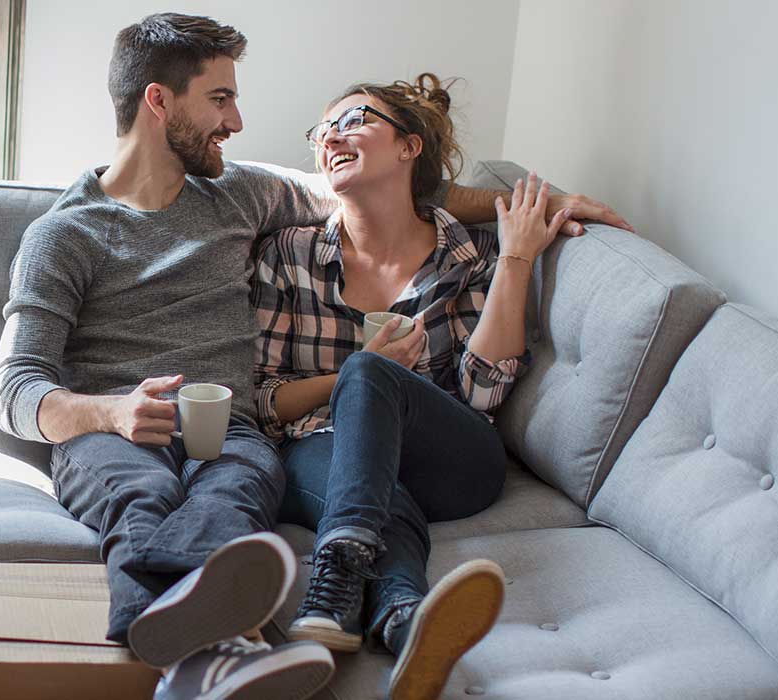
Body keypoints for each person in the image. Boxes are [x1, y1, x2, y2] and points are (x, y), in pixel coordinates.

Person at [0, 13, 626, 698]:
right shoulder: (64, 236)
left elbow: (405, 190)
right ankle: (212, 648)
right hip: (112, 432)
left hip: (231, 430)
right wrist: (110, 414)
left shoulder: (242, 192)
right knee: (143, 492)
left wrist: (542, 202)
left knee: (240, 490)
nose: (235, 121)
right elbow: (15, 387)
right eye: (220, 99)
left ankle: (224, 654)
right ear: (158, 101)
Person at [252, 74, 605, 700]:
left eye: (354, 118)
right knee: (364, 419)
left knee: (371, 373)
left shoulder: (469, 255)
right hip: (325, 450)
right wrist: (352, 374)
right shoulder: (288, 254)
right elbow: (264, 399)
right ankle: (400, 618)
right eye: (322, 130)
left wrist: (517, 259)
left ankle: (332, 582)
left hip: (454, 459)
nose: (332, 135)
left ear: (410, 147)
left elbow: (480, 396)